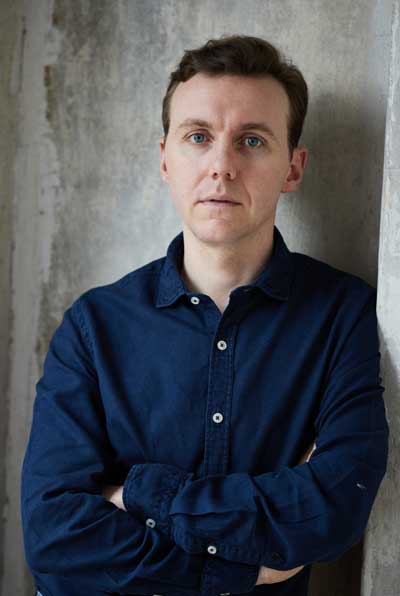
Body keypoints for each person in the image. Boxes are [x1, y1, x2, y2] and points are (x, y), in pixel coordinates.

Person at [21, 34, 389, 596]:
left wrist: (138, 494)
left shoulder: (342, 314)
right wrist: (239, 569)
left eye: (251, 141)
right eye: (198, 137)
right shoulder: (94, 327)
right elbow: (54, 537)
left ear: (293, 168)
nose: (221, 166)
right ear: (165, 158)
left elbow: (333, 510)